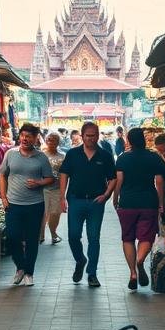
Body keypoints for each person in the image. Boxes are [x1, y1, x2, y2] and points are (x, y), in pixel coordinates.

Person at [59, 121, 117, 287]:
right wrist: (62, 197)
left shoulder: (104, 155)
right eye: (88, 136)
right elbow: (64, 174)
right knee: (73, 235)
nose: (91, 139)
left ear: (98, 136)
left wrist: (106, 195)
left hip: (95, 202)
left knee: (94, 238)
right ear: (82, 136)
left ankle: (92, 273)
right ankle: (80, 260)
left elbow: (113, 178)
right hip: (75, 200)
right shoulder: (72, 154)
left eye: (94, 135)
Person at [0, 123, 56, 287]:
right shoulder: (10, 154)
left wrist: (39, 182)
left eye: (29, 136)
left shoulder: (41, 157)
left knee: (32, 239)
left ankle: (29, 273)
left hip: (34, 205)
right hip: (13, 204)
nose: (25, 139)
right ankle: (20, 267)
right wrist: (3, 197)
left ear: (35, 138)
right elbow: (2, 175)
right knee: (12, 237)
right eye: (23, 135)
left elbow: (50, 178)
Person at [112, 127, 165, 291]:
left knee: (127, 238)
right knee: (146, 237)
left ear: (129, 141)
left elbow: (119, 180)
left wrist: (115, 199)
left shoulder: (123, 158)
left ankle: (132, 273)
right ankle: (140, 260)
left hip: (127, 203)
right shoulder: (154, 158)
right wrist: (161, 202)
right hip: (148, 202)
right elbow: (159, 182)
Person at [40, 131, 66, 244]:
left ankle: (53, 233)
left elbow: (64, 176)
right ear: (46, 141)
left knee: (55, 212)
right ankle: (40, 235)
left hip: (56, 189)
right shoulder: (40, 155)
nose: (51, 141)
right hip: (42, 189)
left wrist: (62, 193)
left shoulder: (63, 156)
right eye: (49, 139)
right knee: (42, 213)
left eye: (54, 139)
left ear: (58, 142)